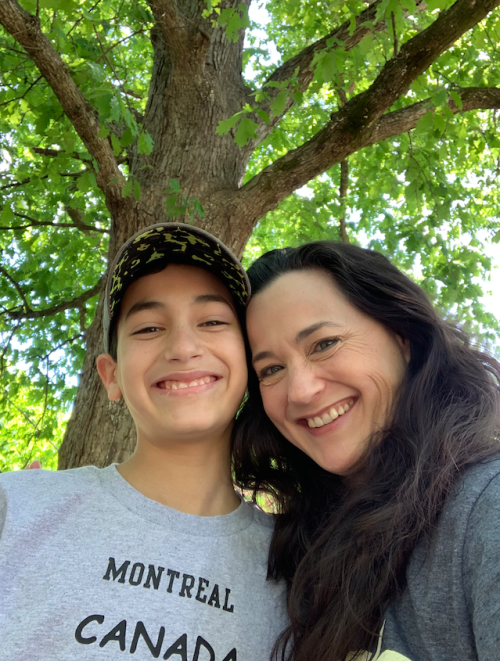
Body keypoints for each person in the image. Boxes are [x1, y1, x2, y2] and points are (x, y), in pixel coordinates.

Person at [0, 223, 287, 661]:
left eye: (212, 321)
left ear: (249, 360)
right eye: (149, 328)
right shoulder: (15, 508)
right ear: (111, 376)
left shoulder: (301, 569)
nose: (183, 347)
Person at [233, 241, 500, 661]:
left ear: (402, 337)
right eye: (271, 369)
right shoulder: (292, 553)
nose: (301, 391)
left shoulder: (485, 509)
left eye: (324, 343)